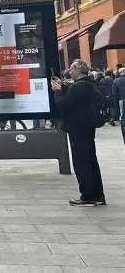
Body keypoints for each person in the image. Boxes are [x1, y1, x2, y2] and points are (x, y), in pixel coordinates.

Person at [51, 59, 106, 206]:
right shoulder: (89, 85)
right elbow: (73, 96)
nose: (70, 72)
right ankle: (98, 194)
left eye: (71, 70)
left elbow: (64, 103)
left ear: (77, 71)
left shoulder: (79, 88)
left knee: (81, 163)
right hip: (88, 128)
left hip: (77, 128)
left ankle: (87, 195)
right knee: (91, 161)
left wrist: (57, 92)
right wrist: (63, 86)